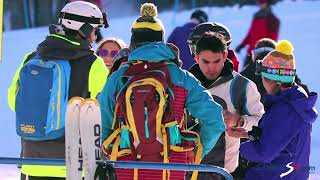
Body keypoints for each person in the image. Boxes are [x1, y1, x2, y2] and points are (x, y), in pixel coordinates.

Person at [98, 3, 225, 179]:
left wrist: (111, 149)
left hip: (127, 167)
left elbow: (102, 117)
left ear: (133, 42)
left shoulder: (118, 78)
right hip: (172, 168)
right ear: (161, 40)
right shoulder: (181, 77)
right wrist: (194, 154)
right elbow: (215, 119)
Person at [7, 1, 109, 179]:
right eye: (94, 30)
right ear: (84, 30)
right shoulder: (93, 64)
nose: (95, 36)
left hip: (33, 164)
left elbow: (13, 101)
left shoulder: (31, 58)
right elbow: (105, 112)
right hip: (76, 167)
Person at [230, 40, 318, 180]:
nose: (262, 82)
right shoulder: (297, 102)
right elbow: (282, 141)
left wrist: (240, 149)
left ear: (275, 81)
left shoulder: (283, 110)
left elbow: (264, 153)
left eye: (264, 78)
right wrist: (249, 135)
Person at [188, 32, 264, 178]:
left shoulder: (241, 86)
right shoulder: (184, 83)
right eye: (205, 61)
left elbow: (263, 124)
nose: (211, 68)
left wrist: (240, 121)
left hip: (221, 172)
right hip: (186, 168)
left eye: (216, 61)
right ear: (196, 57)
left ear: (224, 56)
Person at [235, 0, 280, 68]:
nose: (261, 4)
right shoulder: (256, 16)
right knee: (244, 76)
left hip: (263, 55)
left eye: (263, 2)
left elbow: (273, 39)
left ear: (268, 3)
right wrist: (242, 45)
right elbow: (250, 34)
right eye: (260, 2)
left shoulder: (273, 19)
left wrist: (266, 52)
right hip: (251, 53)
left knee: (259, 77)